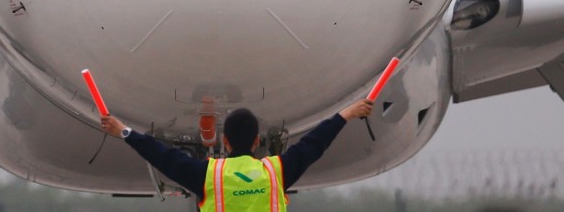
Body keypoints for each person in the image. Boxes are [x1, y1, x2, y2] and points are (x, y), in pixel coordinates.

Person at [101, 98, 374, 208]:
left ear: (225, 141)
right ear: (257, 141)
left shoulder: (210, 176)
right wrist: (347, 113)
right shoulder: (275, 172)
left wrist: (124, 131)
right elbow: (314, 144)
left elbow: (163, 157)